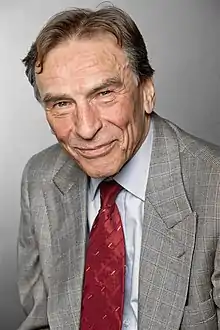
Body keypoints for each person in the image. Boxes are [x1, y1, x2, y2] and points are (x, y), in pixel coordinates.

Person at [17, 5, 220, 330]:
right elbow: (41, 319)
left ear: (147, 92)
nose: (85, 128)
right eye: (61, 103)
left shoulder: (214, 190)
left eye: (104, 93)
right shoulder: (40, 178)